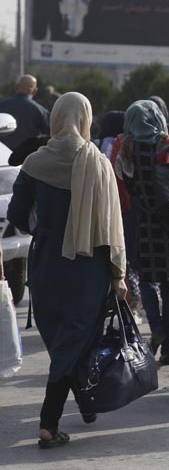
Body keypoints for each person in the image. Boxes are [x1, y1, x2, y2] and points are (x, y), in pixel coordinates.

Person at [8, 92, 127, 448]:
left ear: (57, 117)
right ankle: (48, 423)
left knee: (64, 340)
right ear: (85, 118)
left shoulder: (33, 163)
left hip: (46, 266)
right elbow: (111, 225)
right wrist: (118, 273)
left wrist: (43, 229)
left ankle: (85, 405)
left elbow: (16, 216)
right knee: (73, 341)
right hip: (87, 268)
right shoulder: (97, 162)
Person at [116, 101, 169, 366]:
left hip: (147, 223)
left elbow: (127, 183)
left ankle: (157, 328)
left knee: (147, 279)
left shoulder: (127, 148)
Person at [0, 75, 50, 151]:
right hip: (26, 158)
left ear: (16, 87)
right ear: (35, 91)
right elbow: (48, 137)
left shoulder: (2, 105)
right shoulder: (41, 110)